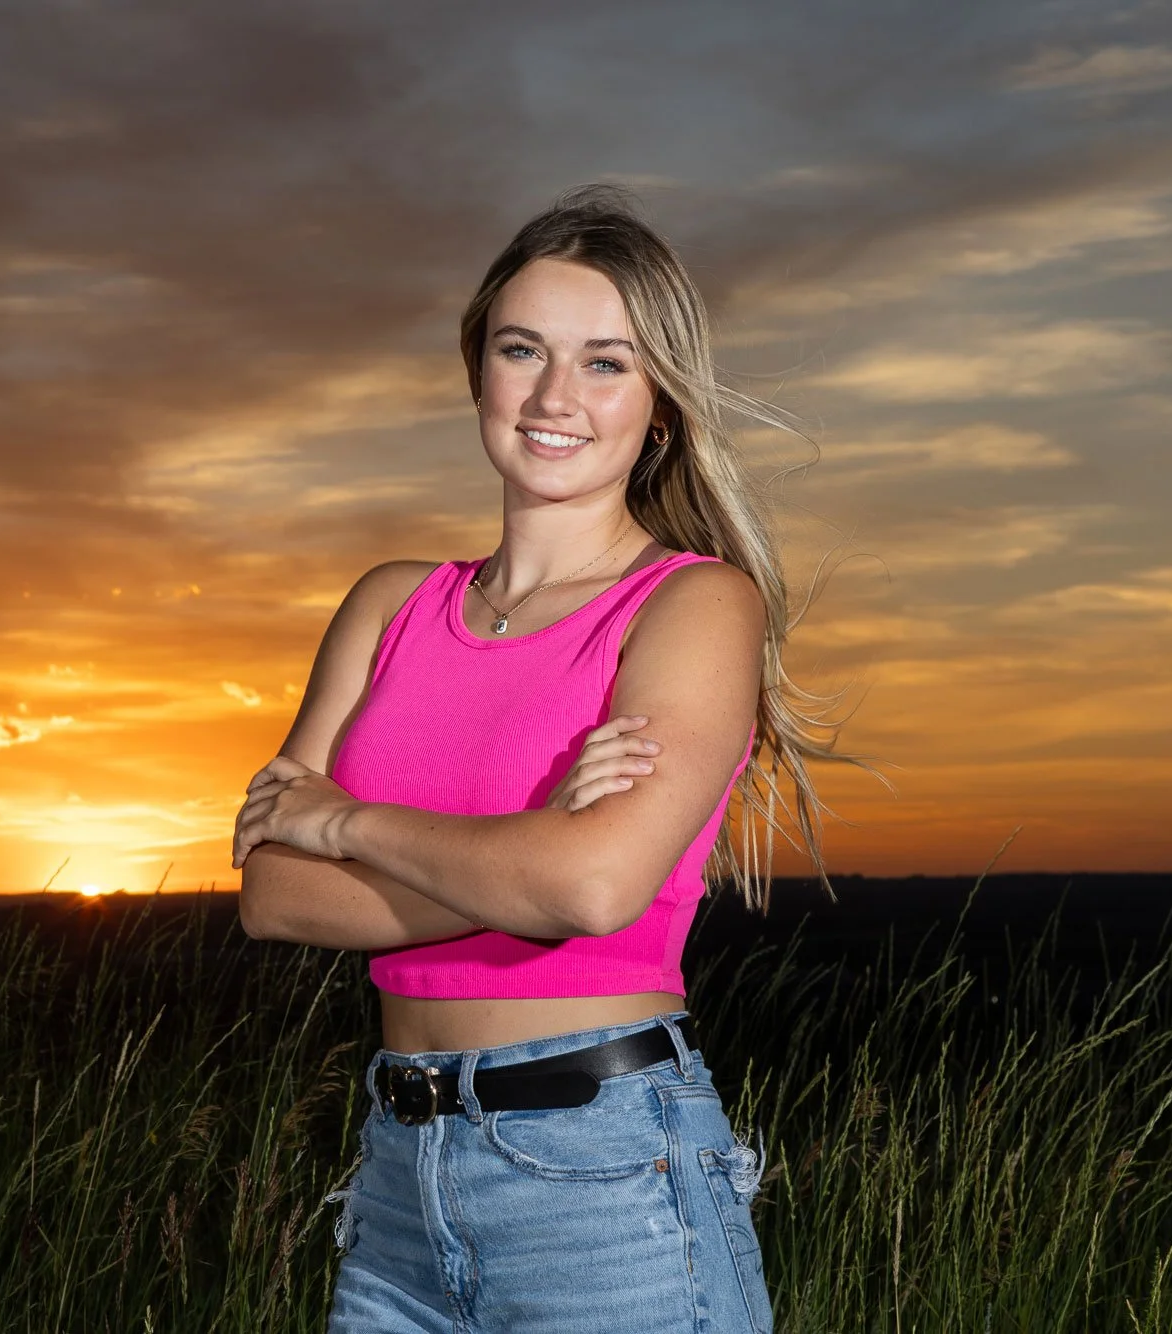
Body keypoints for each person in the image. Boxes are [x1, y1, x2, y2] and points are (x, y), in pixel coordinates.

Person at [231, 183, 864, 1333]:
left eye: (605, 362)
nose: (554, 395)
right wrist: (521, 863)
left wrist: (346, 823)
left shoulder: (690, 607)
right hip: (394, 1179)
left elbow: (589, 885)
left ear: (658, 404)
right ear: (477, 367)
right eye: (522, 349)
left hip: (606, 1176)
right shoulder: (389, 603)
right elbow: (272, 894)